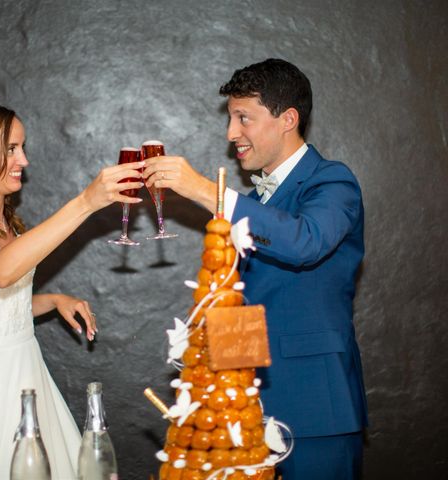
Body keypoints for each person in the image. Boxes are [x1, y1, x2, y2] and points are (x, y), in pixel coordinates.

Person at [142, 59, 368, 479]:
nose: (231, 134)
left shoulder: (332, 181)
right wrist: (212, 379)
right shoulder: (257, 201)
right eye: (231, 119)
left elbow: (305, 242)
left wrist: (206, 191)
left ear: (288, 119)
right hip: (244, 411)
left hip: (314, 409)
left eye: (243, 118)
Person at [0, 101, 143, 479]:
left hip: (26, 375)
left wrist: (53, 300)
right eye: (11, 149)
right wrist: (85, 203)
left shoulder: (8, 221)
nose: (23, 160)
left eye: (22, 148)